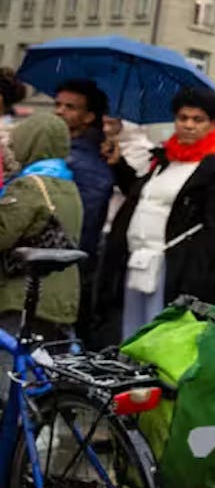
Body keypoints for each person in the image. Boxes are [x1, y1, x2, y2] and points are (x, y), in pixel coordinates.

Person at [97, 87, 215, 348]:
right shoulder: (164, 159)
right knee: (130, 335)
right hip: (136, 260)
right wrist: (118, 164)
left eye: (197, 120)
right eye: (182, 118)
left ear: (212, 124)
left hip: (175, 270)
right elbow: (140, 196)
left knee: (162, 340)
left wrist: (193, 279)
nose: (188, 125)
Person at [0, 115, 85, 341]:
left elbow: (3, 233)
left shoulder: (28, 186)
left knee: (12, 372)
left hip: (25, 295)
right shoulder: (68, 184)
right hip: (62, 297)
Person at [53, 80, 115, 332]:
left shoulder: (87, 161)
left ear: (89, 116)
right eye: (57, 104)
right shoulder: (61, 150)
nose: (60, 111)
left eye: (70, 107)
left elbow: (80, 222)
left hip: (65, 265)